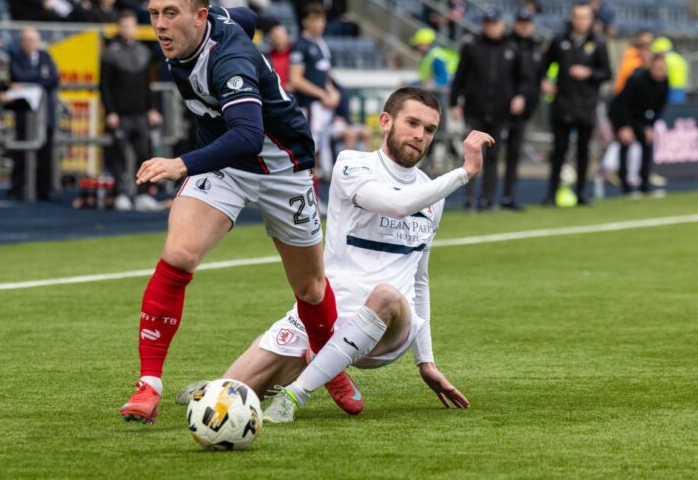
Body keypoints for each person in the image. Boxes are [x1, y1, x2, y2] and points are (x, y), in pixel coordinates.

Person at [174, 88, 495, 421]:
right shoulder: (351, 165)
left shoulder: (433, 192)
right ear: (385, 121)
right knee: (226, 398)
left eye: (429, 129)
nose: (420, 135)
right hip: (325, 315)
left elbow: (420, 278)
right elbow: (396, 205)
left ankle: (293, 397)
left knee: (386, 295)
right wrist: (463, 173)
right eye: (412, 123)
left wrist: (425, 361)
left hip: (388, 327)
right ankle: (224, 385)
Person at [120, 0, 341, 425]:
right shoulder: (205, 23)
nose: (159, 24)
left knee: (310, 287)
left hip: (283, 168)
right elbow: (245, 16)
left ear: (199, 16)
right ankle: (148, 385)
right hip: (225, 164)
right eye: (154, 13)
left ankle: (329, 363)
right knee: (179, 254)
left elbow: (246, 133)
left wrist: (179, 164)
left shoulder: (230, 61)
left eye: (170, 13)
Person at [450, 10, 525, 211]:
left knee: (493, 155)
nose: (492, 27)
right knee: (470, 153)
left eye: (495, 23)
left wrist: (520, 96)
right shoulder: (472, 46)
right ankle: (468, 197)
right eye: (488, 23)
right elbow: (460, 76)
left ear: (501, 24)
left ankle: (487, 199)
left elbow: (522, 79)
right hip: (474, 108)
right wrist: (454, 102)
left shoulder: (512, 48)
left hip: (500, 111)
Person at [540, 3, 612, 206]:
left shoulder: (598, 43)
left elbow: (607, 73)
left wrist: (589, 73)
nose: (581, 21)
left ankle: (581, 192)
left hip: (586, 105)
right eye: (578, 17)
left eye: (585, 17)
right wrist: (544, 81)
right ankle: (551, 193)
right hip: (562, 104)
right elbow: (543, 65)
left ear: (591, 19)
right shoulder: (559, 40)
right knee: (559, 151)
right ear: (572, 18)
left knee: (583, 151)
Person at [99, 11, 163, 212]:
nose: (128, 29)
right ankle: (120, 194)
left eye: (131, 25)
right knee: (119, 156)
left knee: (145, 154)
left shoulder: (143, 52)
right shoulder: (110, 53)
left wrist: (152, 108)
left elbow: (147, 85)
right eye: (124, 25)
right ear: (119, 27)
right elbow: (104, 86)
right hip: (120, 114)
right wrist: (110, 111)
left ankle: (144, 193)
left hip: (140, 114)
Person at [288, 4, 339, 180]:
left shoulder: (322, 44)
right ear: (305, 22)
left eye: (321, 19)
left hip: (324, 105)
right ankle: (310, 190)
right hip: (309, 106)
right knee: (311, 147)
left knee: (325, 150)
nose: (319, 24)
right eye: (314, 19)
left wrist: (332, 92)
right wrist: (322, 94)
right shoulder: (300, 46)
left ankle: (320, 193)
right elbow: (296, 79)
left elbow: (325, 76)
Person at [9, 28, 60, 201]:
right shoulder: (16, 57)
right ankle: (18, 188)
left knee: (46, 154)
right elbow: (17, 75)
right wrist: (39, 79)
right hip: (25, 115)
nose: (30, 43)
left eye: (33, 40)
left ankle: (44, 189)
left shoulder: (46, 57)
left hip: (46, 115)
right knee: (21, 154)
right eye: (27, 40)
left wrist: (29, 82)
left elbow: (53, 78)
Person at [608, 54, 669, 195]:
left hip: (640, 118)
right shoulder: (637, 79)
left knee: (647, 144)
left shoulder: (664, 82)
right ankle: (625, 187)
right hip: (621, 113)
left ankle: (644, 185)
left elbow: (659, 107)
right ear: (651, 67)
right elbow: (624, 104)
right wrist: (624, 126)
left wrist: (649, 125)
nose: (660, 71)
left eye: (663, 68)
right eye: (658, 68)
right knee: (626, 143)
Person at [504, 10, 543, 211]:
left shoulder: (534, 46)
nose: (524, 25)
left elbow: (534, 76)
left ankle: (508, 196)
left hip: (525, 107)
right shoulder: (507, 44)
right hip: (503, 106)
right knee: (490, 154)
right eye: (521, 22)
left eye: (527, 22)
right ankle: (479, 197)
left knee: (514, 153)